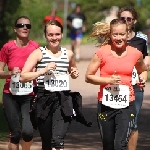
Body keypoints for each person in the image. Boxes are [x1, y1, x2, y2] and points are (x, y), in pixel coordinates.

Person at [20, 20, 86, 150]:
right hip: (44, 99)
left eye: (57, 34)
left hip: (63, 99)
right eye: (50, 35)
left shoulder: (68, 54)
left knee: (58, 141)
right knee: (47, 142)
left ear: (62, 34)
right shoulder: (38, 53)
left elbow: (73, 70)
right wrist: (43, 70)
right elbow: (23, 76)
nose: (54, 38)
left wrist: (74, 73)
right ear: (45, 35)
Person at [85, 19, 147, 150]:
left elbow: (143, 70)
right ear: (110, 35)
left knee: (120, 145)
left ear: (127, 33)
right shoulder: (101, 53)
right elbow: (88, 77)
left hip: (127, 105)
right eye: (115, 35)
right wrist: (108, 80)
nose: (119, 38)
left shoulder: (135, 53)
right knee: (108, 145)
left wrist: (142, 78)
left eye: (122, 34)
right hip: (105, 105)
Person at [0, 16, 39, 150]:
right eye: (21, 25)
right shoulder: (7, 47)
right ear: (15, 29)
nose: (25, 28)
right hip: (10, 94)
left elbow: (41, 70)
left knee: (27, 132)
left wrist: (36, 71)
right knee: (15, 133)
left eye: (28, 26)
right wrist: (10, 73)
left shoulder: (35, 47)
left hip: (29, 94)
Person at [118, 6, 149, 150]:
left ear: (134, 21)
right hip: (116, 86)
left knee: (133, 122)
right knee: (115, 122)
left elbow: (145, 58)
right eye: (122, 19)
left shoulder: (141, 39)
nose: (125, 21)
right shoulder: (112, 37)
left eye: (128, 19)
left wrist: (144, 75)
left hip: (135, 87)